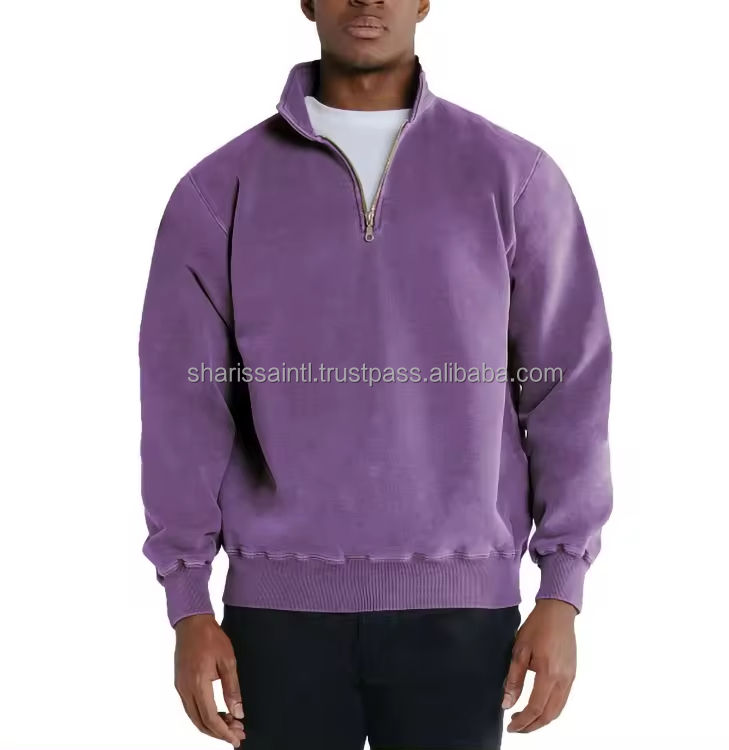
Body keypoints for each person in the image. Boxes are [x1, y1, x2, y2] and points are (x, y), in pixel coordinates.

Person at [137, 1, 613, 748]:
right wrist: (188, 602)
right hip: (277, 615)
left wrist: (562, 588)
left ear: (424, 1)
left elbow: (568, 388)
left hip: (463, 613)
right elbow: (182, 404)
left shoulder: (513, 179)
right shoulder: (220, 190)